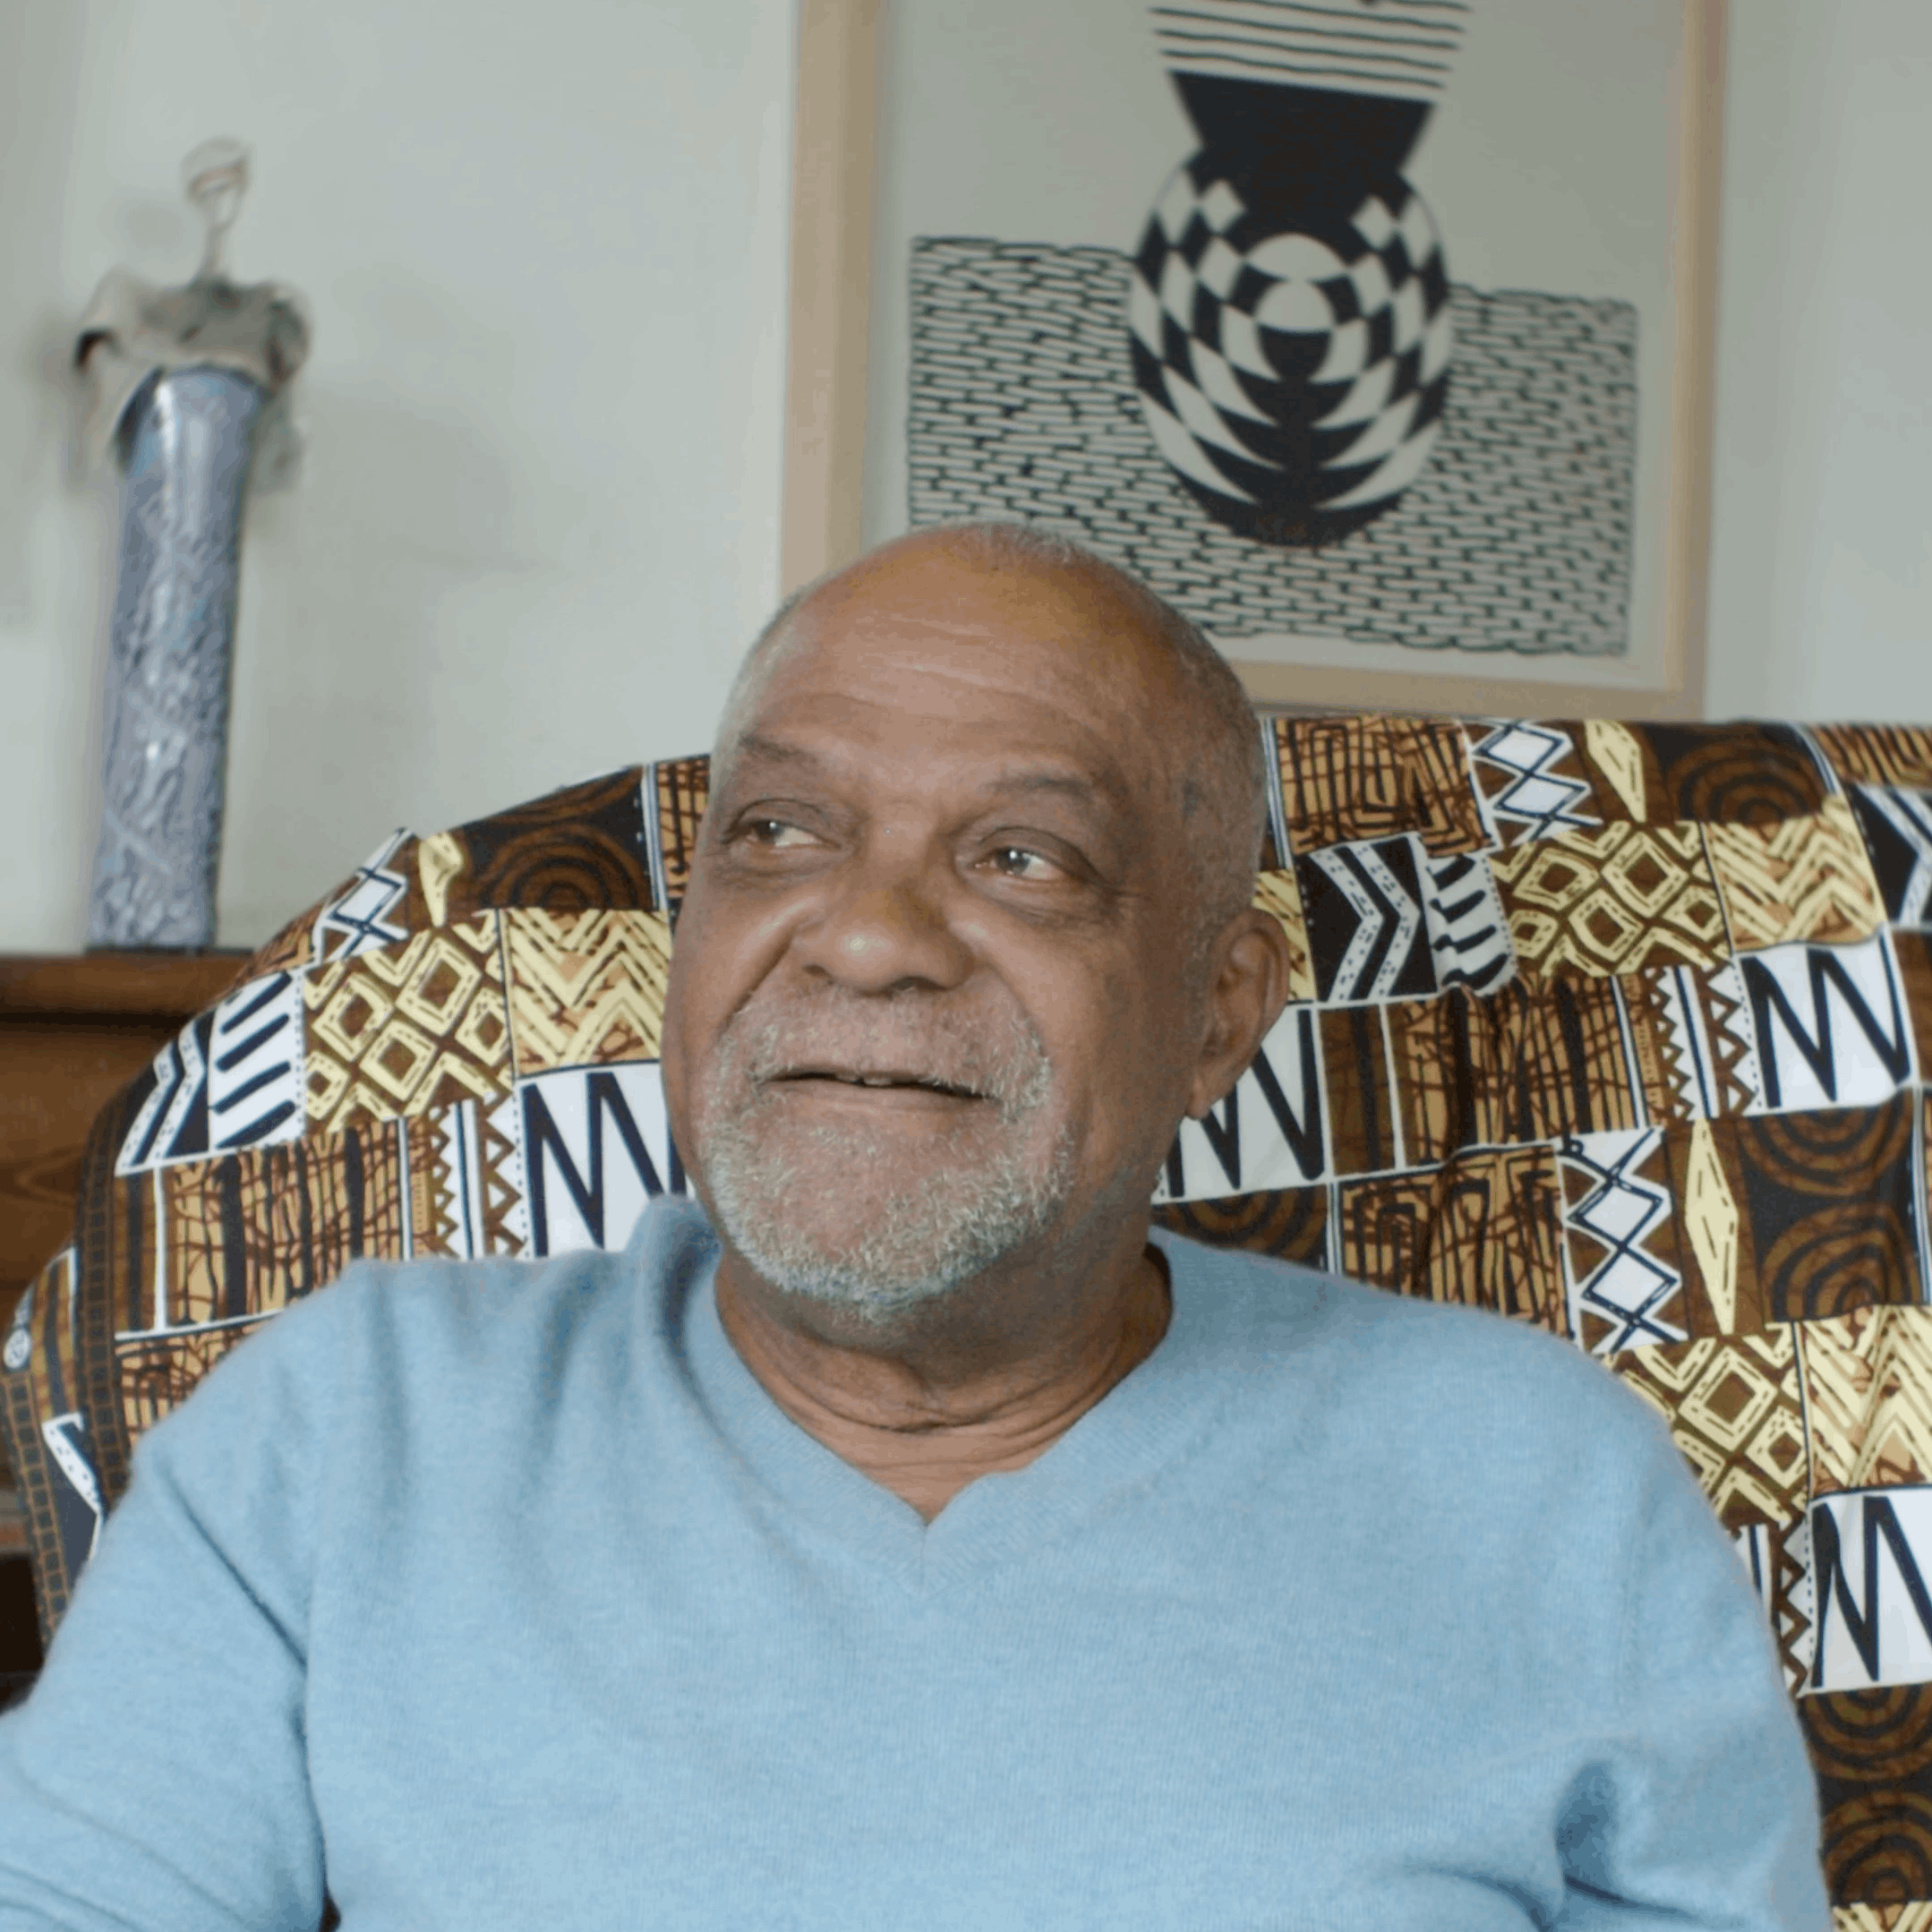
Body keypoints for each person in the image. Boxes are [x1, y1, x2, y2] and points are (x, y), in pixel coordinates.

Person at [0, 524, 1826, 1928]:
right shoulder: (355, 1423)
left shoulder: (1538, 1482)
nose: (866, 934)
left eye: (1022, 855)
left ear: (1217, 1009)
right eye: (780, 832)